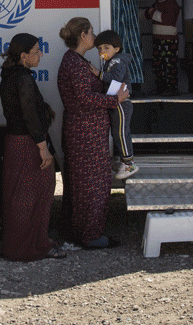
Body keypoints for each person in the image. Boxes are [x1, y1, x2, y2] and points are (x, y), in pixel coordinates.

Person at [57, 17, 130, 249]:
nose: (95, 36)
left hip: (83, 132)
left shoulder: (74, 61)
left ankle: (78, 232)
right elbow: (84, 98)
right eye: (91, 32)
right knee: (92, 184)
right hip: (85, 134)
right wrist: (115, 99)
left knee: (81, 183)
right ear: (83, 36)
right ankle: (90, 235)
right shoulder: (75, 63)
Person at [0, 33, 65, 261]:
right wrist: (42, 147)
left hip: (16, 143)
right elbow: (30, 115)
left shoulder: (10, 74)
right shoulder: (22, 78)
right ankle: (29, 246)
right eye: (36, 51)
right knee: (30, 196)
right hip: (27, 144)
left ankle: (27, 243)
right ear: (24, 56)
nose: (41, 54)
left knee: (20, 195)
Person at [95, 30, 137, 180]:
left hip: (121, 103)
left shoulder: (117, 61)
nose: (102, 51)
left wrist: (97, 73)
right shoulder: (110, 61)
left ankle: (129, 163)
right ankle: (124, 161)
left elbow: (115, 78)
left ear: (117, 48)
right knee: (117, 133)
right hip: (116, 103)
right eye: (99, 48)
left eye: (106, 47)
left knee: (121, 134)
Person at [145, 0, 182, 97]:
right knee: (158, 65)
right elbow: (148, 15)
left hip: (169, 41)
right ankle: (160, 87)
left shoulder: (172, 3)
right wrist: (149, 13)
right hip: (157, 40)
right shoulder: (158, 2)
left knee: (169, 65)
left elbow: (168, 19)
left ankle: (172, 88)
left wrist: (152, 13)